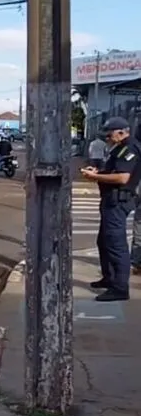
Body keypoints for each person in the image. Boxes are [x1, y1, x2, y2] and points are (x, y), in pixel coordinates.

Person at [80, 116, 141, 301]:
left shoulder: (129, 148)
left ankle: (120, 288)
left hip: (118, 202)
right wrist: (99, 172)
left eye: (109, 134)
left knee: (116, 245)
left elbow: (123, 178)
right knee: (104, 241)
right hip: (111, 200)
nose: (107, 138)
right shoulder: (120, 148)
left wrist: (95, 178)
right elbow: (115, 172)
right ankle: (109, 278)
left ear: (122, 132)